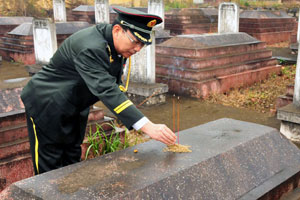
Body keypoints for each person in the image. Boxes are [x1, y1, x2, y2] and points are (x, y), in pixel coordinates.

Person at [21, 6, 176, 175]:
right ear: (117, 30)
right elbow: (106, 89)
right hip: (47, 104)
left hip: (75, 104)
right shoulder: (90, 46)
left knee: (72, 156)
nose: (138, 49)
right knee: (49, 164)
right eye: (136, 41)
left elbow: (114, 84)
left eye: (143, 44)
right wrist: (147, 126)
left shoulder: (114, 44)